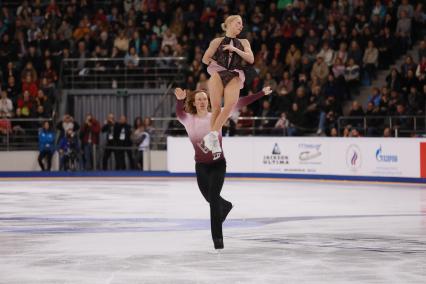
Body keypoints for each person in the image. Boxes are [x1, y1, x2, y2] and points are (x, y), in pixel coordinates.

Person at [174, 85, 272, 250]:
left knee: (213, 200)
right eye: (199, 99)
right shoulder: (189, 119)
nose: (203, 102)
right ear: (194, 103)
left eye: (205, 99)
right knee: (210, 198)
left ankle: (217, 240)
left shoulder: (217, 116)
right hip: (201, 165)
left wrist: (261, 93)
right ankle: (225, 206)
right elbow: (179, 113)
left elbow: (238, 103)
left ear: (209, 101)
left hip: (219, 164)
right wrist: (179, 100)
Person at [202, 15, 254, 157]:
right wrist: (218, 64)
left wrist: (235, 49)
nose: (241, 26)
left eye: (242, 24)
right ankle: (213, 140)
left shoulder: (244, 42)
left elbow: (251, 59)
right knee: (216, 108)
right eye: (238, 23)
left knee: (230, 105)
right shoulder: (217, 41)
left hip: (234, 74)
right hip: (218, 73)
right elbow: (205, 59)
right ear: (229, 23)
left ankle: (211, 135)